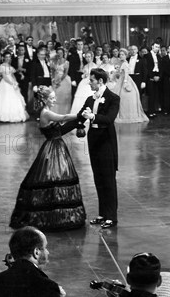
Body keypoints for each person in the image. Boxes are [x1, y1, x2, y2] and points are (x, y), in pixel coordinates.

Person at [10, 87, 86, 230]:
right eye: (52, 98)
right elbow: (63, 118)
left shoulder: (46, 113)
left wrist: (77, 122)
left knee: (57, 178)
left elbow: (60, 131)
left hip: (57, 146)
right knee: (54, 178)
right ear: (44, 100)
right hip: (53, 149)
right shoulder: (46, 113)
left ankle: (58, 215)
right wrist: (79, 115)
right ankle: (54, 217)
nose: (54, 100)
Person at [74, 69, 120, 229]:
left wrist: (92, 116)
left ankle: (111, 217)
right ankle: (102, 214)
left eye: (92, 80)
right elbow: (79, 117)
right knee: (98, 179)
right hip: (93, 141)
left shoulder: (113, 98)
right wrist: (58, 129)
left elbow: (109, 119)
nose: (89, 83)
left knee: (108, 180)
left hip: (106, 142)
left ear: (100, 81)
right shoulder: (90, 98)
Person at [0, 51, 29, 123]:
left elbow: (12, 75)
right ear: (3, 58)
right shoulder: (2, 66)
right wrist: (12, 83)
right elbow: (5, 77)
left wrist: (15, 82)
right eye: (6, 57)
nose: (8, 58)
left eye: (9, 57)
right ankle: (3, 116)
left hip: (11, 82)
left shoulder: (10, 67)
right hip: (6, 84)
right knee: (5, 98)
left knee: (14, 98)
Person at [115, 48, 148, 123]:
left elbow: (126, 74)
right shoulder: (122, 63)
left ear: (126, 56)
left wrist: (125, 82)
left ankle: (127, 115)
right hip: (122, 79)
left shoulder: (125, 63)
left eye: (122, 55)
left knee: (125, 97)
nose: (121, 56)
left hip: (126, 80)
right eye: (120, 54)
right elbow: (121, 73)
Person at [51, 47, 72, 114]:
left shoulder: (66, 62)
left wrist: (59, 81)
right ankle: (55, 113)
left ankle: (63, 113)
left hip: (64, 80)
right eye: (58, 53)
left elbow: (65, 73)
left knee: (63, 98)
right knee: (55, 97)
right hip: (55, 78)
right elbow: (53, 71)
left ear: (63, 54)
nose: (60, 54)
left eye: (61, 53)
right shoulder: (54, 61)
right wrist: (54, 79)